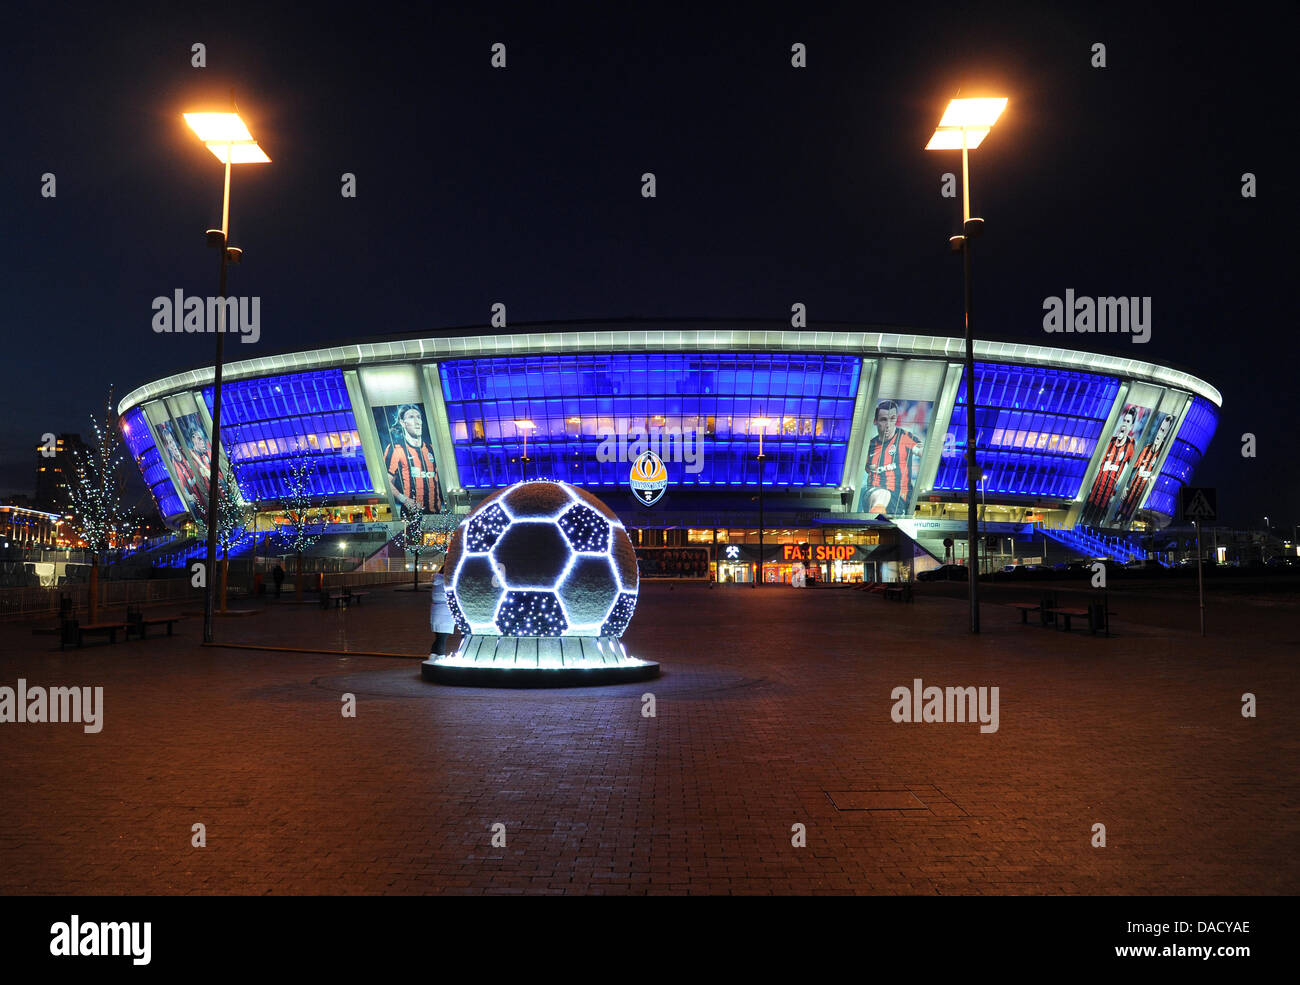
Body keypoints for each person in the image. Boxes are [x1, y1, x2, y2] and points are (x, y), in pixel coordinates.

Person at [860, 400, 924, 515]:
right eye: (883, 420)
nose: (888, 425)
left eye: (892, 419)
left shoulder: (905, 437)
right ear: (875, 421)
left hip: (901, 498)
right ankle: (874, 520)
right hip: (874, 493)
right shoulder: (869, 446)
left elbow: (923, 452)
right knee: (883, 494)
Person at [1079, 408, 1138, 526]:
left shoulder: (1130, 445)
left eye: (1127, 422)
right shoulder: (1109, 442)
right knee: (1083, 524)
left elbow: (1133, 468)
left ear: (1131, 427)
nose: (1124, 424)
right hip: (1092, 497)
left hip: (1106, 501)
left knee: (1096, 528)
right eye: (1123, 420)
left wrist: (1125, 487)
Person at [382, 404, 443, 514]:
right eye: (411, 417)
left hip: (435, 514)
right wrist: (404, 499)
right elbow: (385, 481)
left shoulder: (431, 449)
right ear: (402, 422)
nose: (417, 421)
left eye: (419, 417)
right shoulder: (396, 449)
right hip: (411, 515)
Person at [1114, 415, 1172, 525]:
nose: (1159, 434)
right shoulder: (1146, 449)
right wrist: (1125, 486)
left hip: (1139, 504)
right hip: (1127, 499)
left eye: (1163, 431)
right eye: (1160, 429)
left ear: (1166, 435)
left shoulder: (1162, 456)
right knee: (1117, 519)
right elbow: (1132, 468)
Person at [429, 560, 455, 659]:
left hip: (436, 611)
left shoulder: (437, 581)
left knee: (439, 638)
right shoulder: (449, 582)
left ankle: (433, 656)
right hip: (446, 612)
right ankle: (441, 657)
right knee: (442, 639)